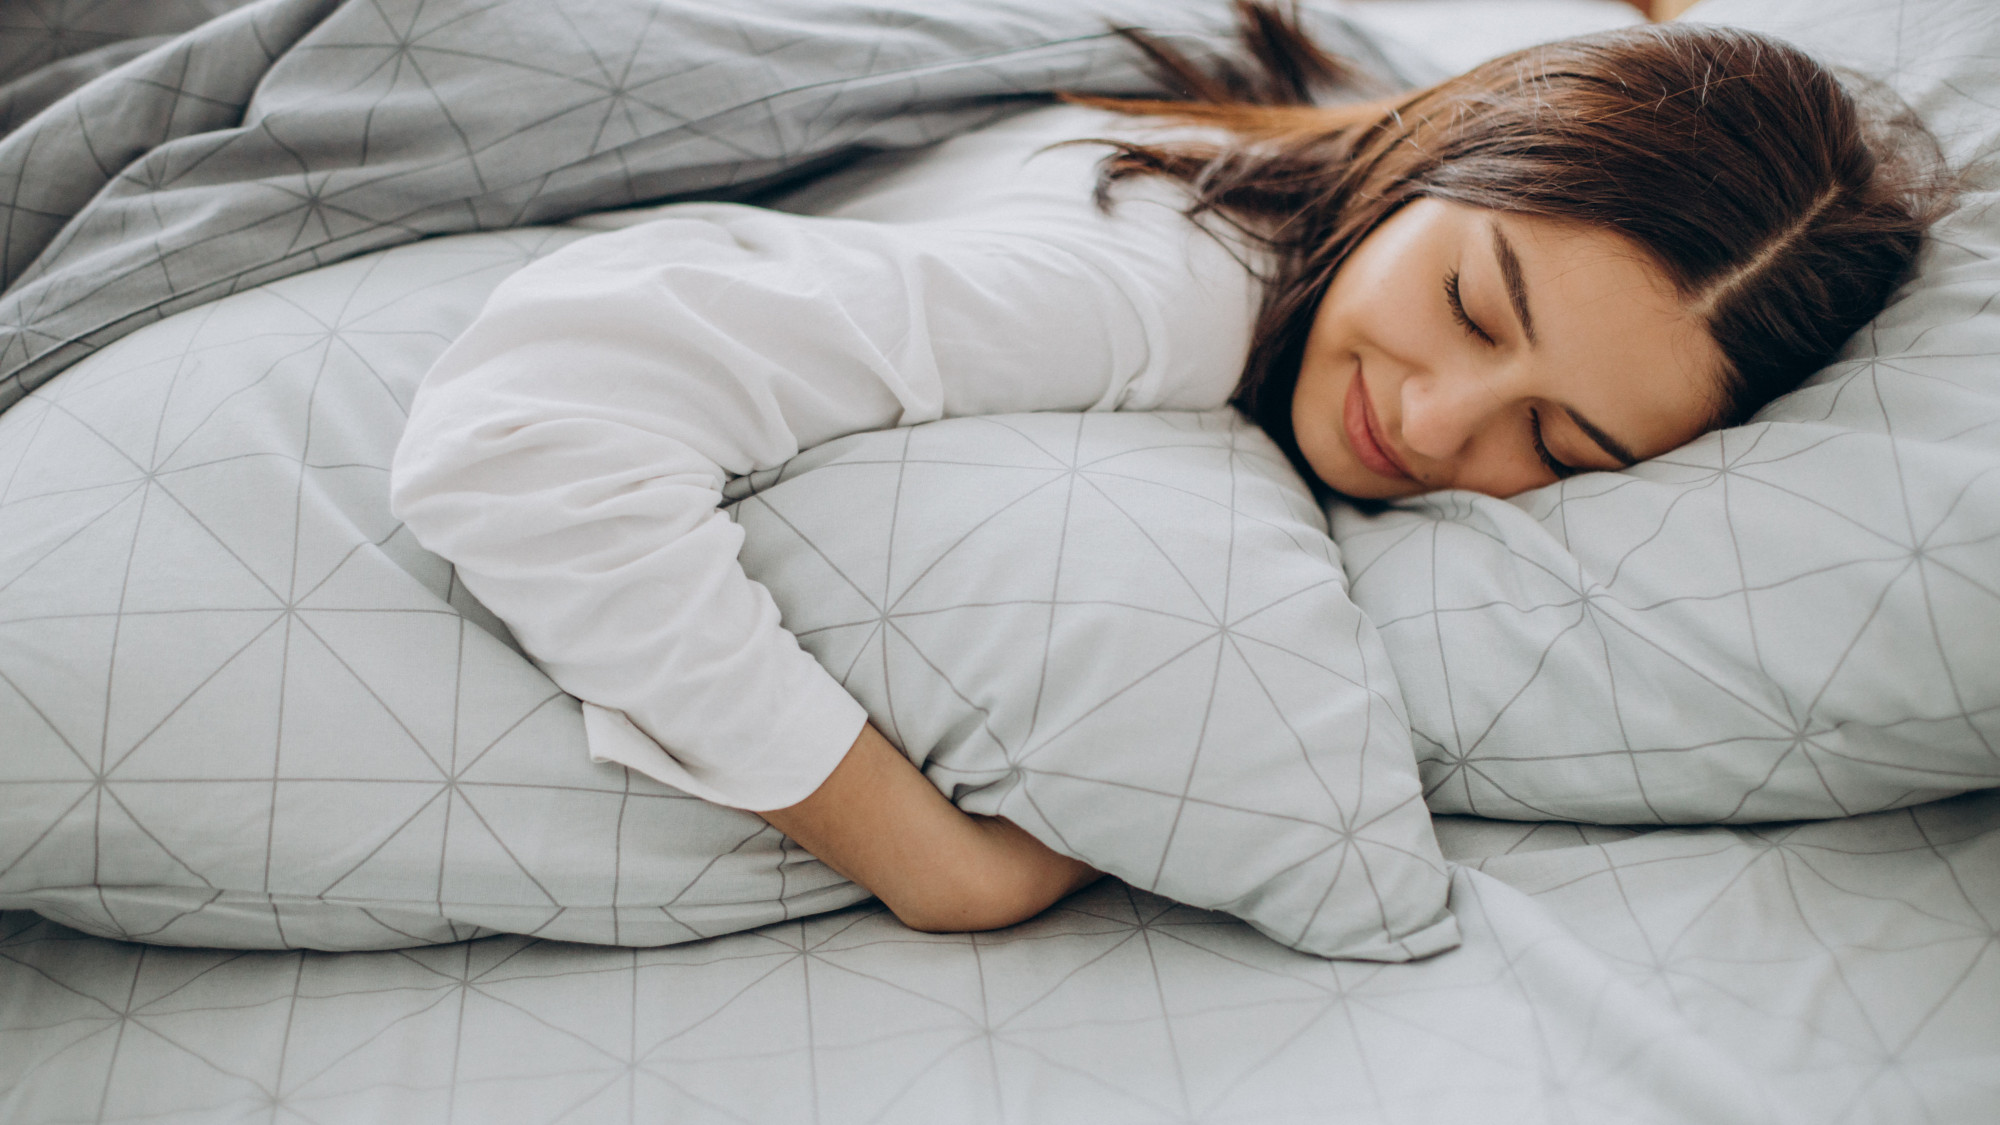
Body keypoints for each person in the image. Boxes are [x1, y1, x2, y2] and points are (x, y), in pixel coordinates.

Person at [389, 4, 1951, 935]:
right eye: (1473, 304)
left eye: (1557, 443)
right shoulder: (1152, 295)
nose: (1436, 420)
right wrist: (936, 863)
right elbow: (528, 430)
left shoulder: (1333, 128)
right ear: (1447, 150)